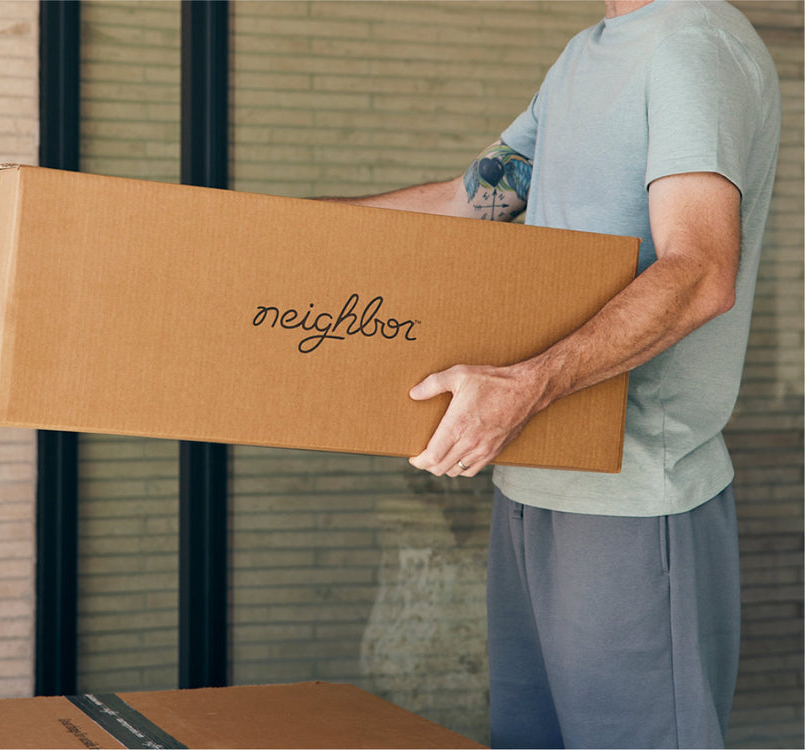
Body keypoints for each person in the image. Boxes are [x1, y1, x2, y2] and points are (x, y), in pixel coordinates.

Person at [331, 1, 781, 747]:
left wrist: (524, 386)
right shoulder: (587, 54)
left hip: (633, 498)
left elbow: (701, 271)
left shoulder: (690, 43)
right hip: (533, 477)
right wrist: (270, 237)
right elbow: (471, 202)